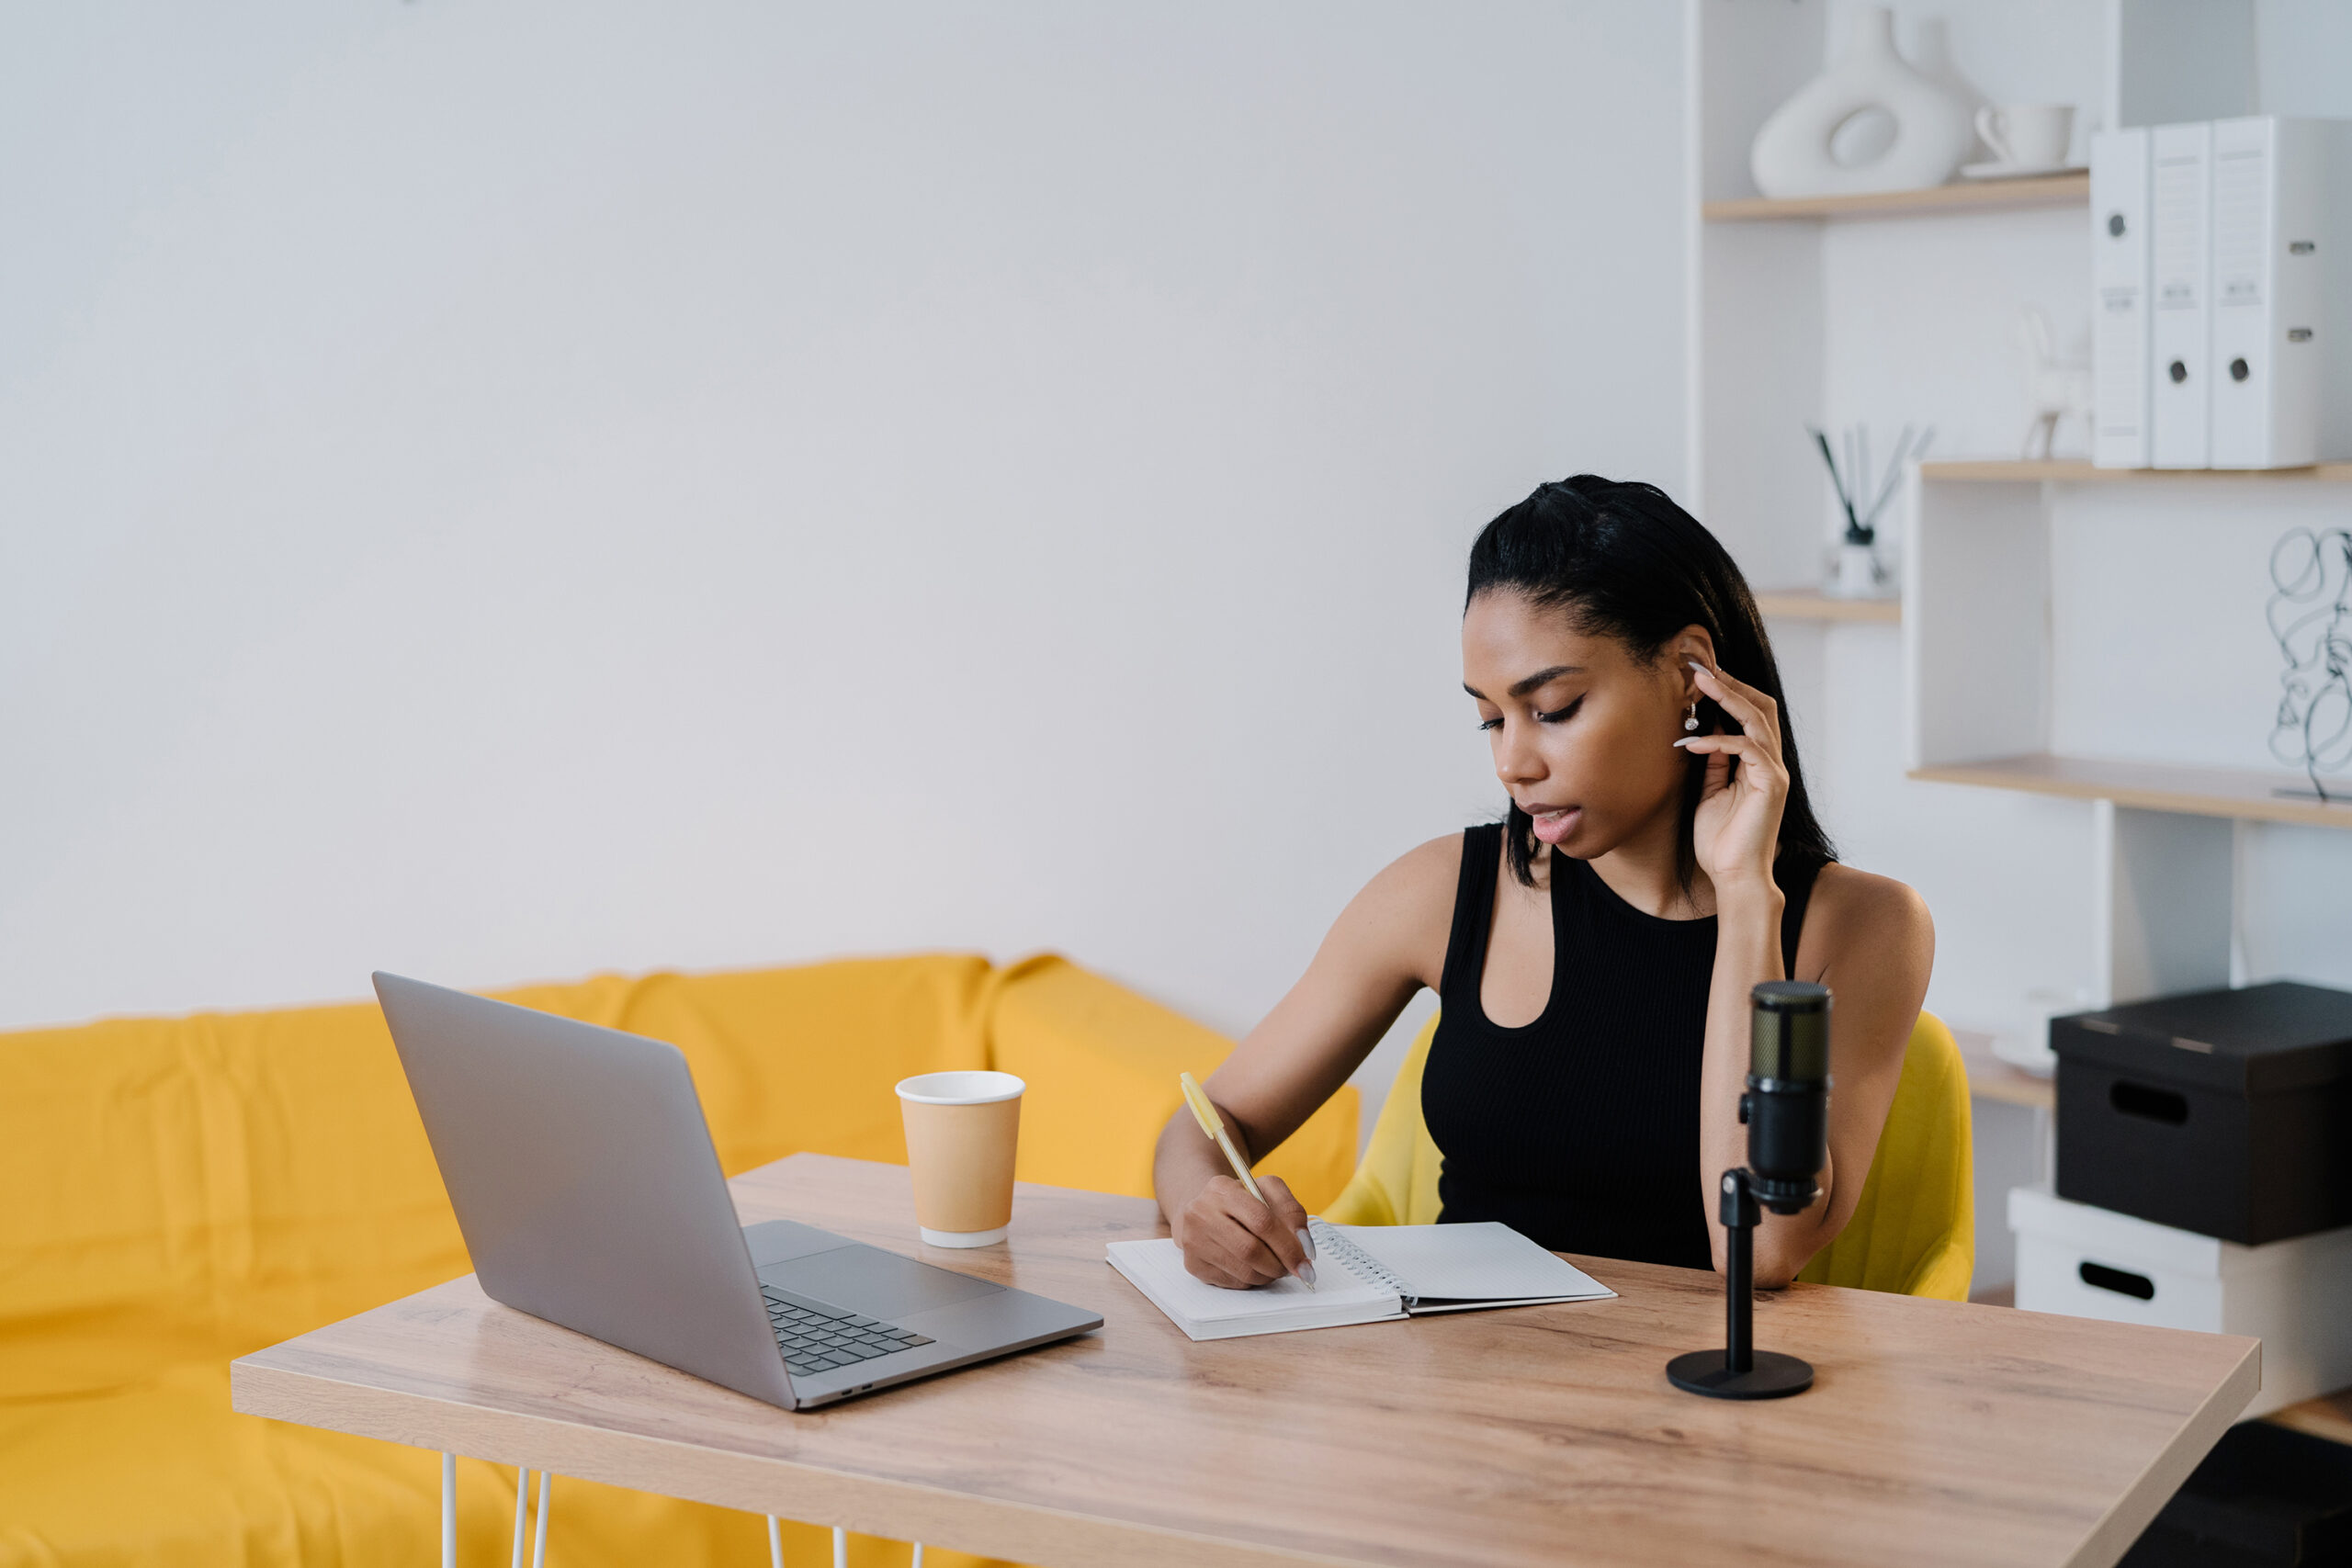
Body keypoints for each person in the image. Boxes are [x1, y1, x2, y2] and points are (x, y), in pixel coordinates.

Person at [1153, 476, 1933, 1291]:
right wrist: (1201, 1205)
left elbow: (1759, 1251)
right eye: (1491, 718)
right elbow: (1207, 1123)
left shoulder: (1864, 927)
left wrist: (1744, 896)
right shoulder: (1442, 892)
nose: (1512, 763)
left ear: (1689, 673)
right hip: (1453, 1396)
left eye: (1554, 707)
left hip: (1698, 1400)